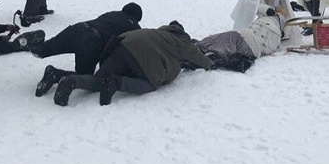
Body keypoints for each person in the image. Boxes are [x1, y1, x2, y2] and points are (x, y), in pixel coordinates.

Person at [52, 21, 213, 107]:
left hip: (121, 46)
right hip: (143, 58)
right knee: (150, 84)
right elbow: (196, 56)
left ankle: (65, 78)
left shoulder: (156, 32)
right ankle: (116, 83)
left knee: (98, 80)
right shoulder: (181, 40)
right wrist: (210, 64)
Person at [33, 2, 143, 95]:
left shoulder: (112, 14)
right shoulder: (134, 27)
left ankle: (33, 43)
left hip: (79, 28)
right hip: (92, 40)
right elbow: (120, 47)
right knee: (85, 77)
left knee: (44, 49)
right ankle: (55, 74)